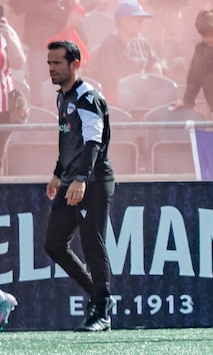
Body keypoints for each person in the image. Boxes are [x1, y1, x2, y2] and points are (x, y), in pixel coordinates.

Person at [44, 39, 115, 332]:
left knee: (92, 243)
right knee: (54, 244)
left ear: (75, 64)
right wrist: (58, 173)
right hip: (71, 180)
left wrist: (81, 178)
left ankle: (102, 312)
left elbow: (92, 142)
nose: (52, 68)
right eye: (49, 63)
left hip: (93, 182)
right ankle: (100, 298)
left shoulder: (87, 98)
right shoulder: (63, 97)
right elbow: (68, 142)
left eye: (57, 63)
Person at [91, 0, 165, 97]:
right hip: (118, 98)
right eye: (139, 21)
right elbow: (111, 79)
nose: (143, 26)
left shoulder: (141, 43)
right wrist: (140, 86)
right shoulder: (110, 46)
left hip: (141, 95)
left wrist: (157, 66)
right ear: (124, 21)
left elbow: (158, 60)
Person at [173, 8, 213, 116]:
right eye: (204, 36)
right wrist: (187, 100)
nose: (208, 39)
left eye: (212, 35)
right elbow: (194, 77)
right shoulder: (200, 50)